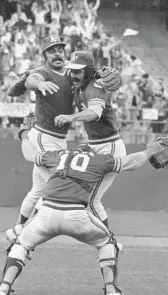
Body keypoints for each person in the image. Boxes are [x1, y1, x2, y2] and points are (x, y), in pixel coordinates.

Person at [0, 130, 165, 295]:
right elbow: (131, 162)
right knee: (108, 243)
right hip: (76, 215)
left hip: (47, 213)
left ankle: (2, 289)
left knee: (21, 244)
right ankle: (112, 291)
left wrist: (24, 134)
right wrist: (150, 150)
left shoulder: (58, 155)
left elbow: (29, 154)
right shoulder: (98, 159)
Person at [13, 37, 122, 228]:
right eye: (51, 50)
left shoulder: (74, 78)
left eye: (59, 50)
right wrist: (37, 84)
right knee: (53, 188)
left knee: (39, 190)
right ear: (44, 56)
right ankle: (23, 231)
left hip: (64, 140)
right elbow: (33, 79)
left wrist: (101, 79)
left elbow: (96, 92)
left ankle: (20, 229)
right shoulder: (44, 72)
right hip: (44, 135)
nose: (56, 53)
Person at [54, 51, 126, 227]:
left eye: (78, 71)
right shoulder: (80, 86)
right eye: (72, 70)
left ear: (88, 70)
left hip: (109, 147)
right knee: (79, 193)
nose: (74, 74)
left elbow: (95, 112)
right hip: (96, 146)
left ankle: (109, 243)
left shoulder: (94, 87)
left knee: (92, 200)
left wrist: (71, 117)